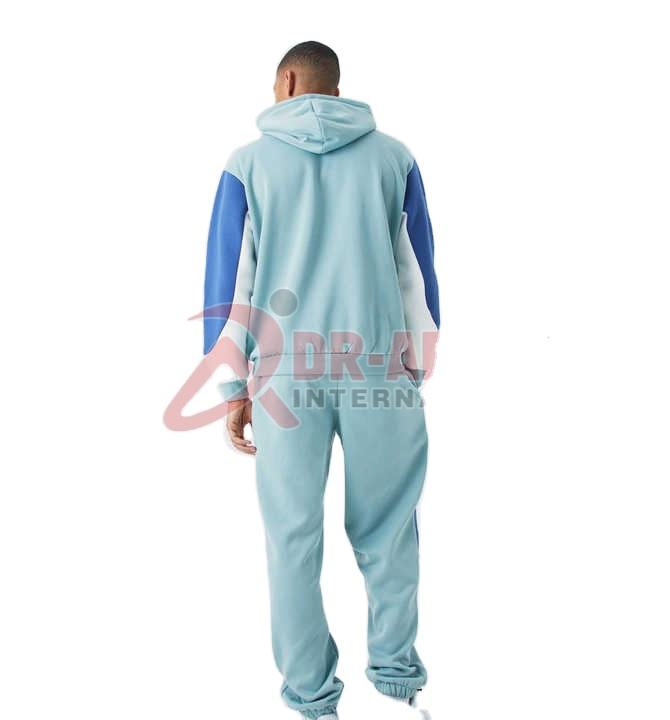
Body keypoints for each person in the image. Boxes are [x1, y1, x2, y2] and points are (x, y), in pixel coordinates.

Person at [203, 41, 439, 720]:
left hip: (284, 379)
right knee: (390, 530)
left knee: (292, 540)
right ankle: (398, 682)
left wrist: (234, 389)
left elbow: (230, 284)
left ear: (286, 80)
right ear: (335, 88)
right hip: (378, 370)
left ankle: (311, 699)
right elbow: (417, 272)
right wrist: (414, 367)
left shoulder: (247, 165)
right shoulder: (393, 158)